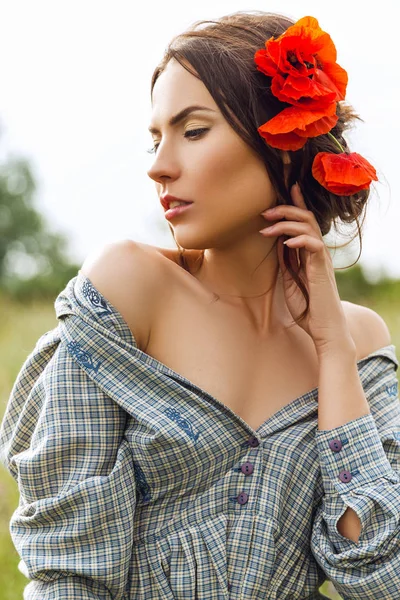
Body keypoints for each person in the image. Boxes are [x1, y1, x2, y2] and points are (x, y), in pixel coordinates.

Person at [0, 10, 399, 600]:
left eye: (192, 130)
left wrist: (333, 351)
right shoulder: (127, 291)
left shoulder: (359, 343)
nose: (159, 166)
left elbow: (379, 575)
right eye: (156, 137)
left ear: (285, 140)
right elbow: (67, 574)